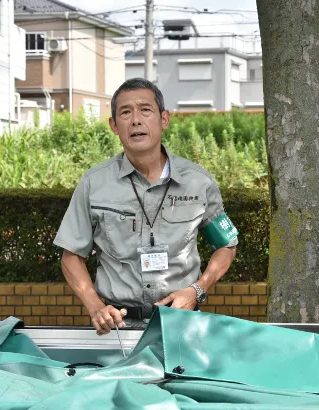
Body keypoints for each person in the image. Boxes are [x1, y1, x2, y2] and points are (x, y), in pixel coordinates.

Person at [54, 78, 238, 334]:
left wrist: (198, 290)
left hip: (182, 324)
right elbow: (71, 255)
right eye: (125, 112)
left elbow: (226, 245)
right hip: (118, 328)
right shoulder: (94, 183)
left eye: (145, 110)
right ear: (114, 126)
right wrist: (95, 306)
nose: (136, 120)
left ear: (164, 119)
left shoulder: (198, 182)